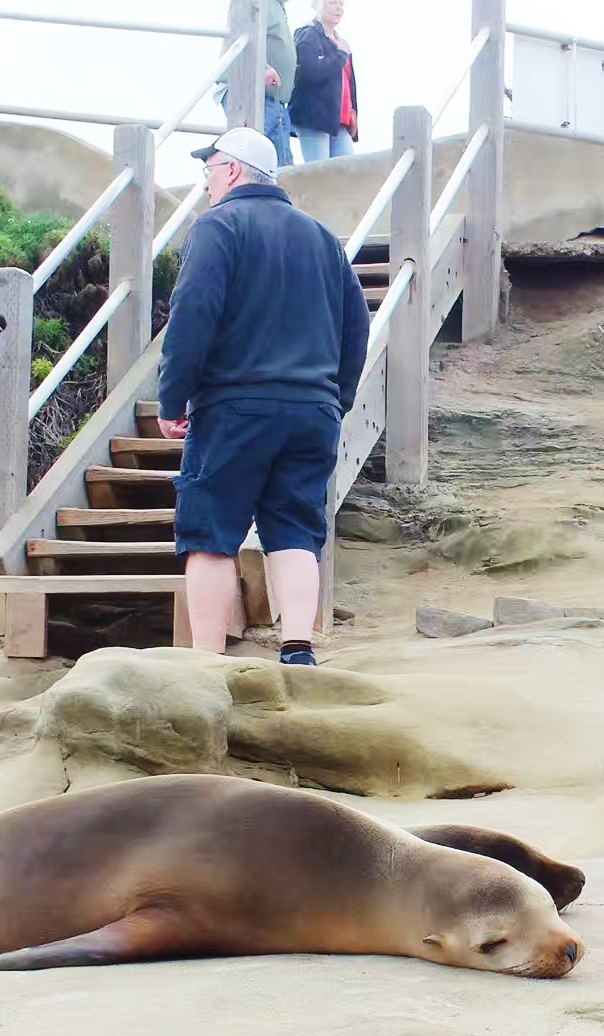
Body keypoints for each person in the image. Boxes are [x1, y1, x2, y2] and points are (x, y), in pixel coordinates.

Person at [156, 127, 369, 666]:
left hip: (235, 406)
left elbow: (193, 316)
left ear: (230, 170)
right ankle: (298, 648)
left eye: (208, 170)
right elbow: (357, 324)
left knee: (210, 532)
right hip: (312, 411)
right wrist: (335, 397)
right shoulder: (322, 237)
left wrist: (173, 399)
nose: (205, 182)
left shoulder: (218, 227)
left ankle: (205, 661)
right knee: (295, 527)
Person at [290, 0, 360, 163]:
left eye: (341, 4)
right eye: (332, 2)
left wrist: (353, 113)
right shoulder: (307, 34)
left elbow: (348, 83)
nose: (338, 8)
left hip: (340, 121)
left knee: (347, 173)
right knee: (319, 174)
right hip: (314, 118)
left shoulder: (342, 42)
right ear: (316, 5)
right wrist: (339, 56)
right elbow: (308, 73)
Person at [262, 0, 297, 168]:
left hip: (275, 99)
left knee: (281, 163)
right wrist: (263, 67)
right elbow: (243, 35)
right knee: (274, 166)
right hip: (259, 96)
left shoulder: (276, 7)